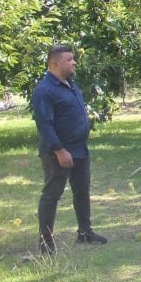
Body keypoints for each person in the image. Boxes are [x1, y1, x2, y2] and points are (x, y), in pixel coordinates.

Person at [32, 44, 107, 254]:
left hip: (79, 149)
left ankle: (85, 232)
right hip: (58, 152)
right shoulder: (45, 90)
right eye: (69, 59)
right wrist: (59, 150)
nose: (74, 62)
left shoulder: (71, 85)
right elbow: (45, 124)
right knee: (51, 195)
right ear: (55, 63)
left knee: (82, 191)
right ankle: (46, 243)